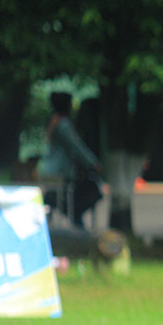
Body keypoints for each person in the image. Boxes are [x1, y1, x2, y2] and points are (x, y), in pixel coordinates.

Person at [38, 92, 103, 230]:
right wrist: (92, 163)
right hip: (59, 170)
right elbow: (76, 146)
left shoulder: (52, 121)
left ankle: (64, 216)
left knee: (55, 196)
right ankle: (75, 217)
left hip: (48, 168)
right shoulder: (63, 124)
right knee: (88, 190)